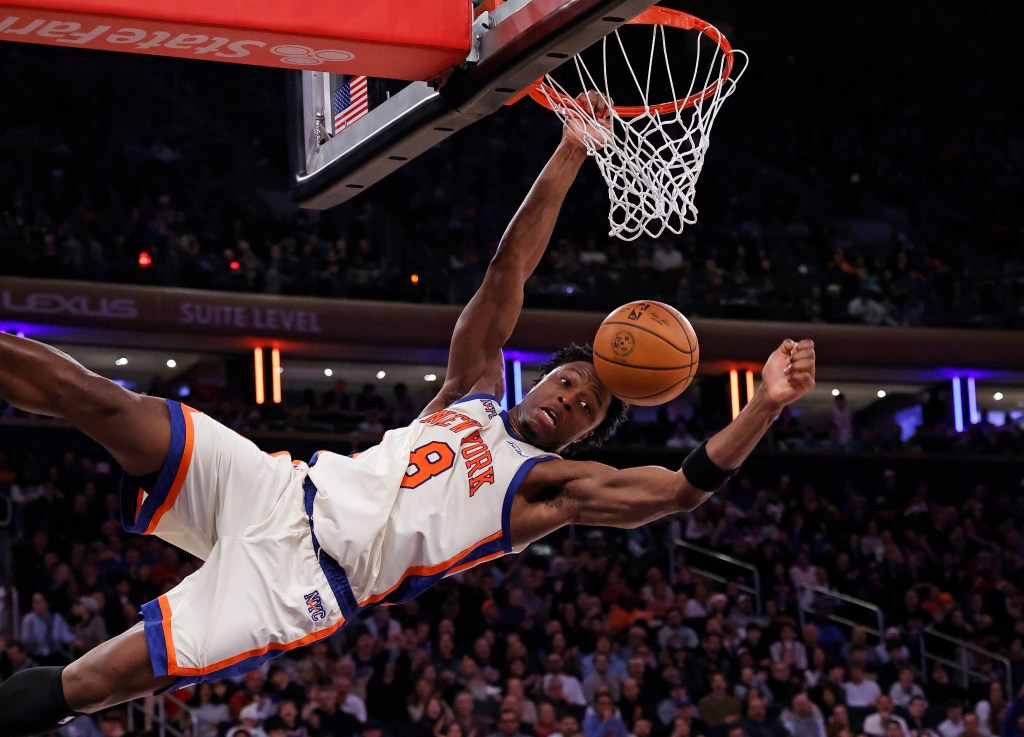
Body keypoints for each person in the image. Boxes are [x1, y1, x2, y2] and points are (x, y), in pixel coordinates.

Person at [0, 92, 818, 736]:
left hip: (300, 584)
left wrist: (765, 405)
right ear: (539, 381)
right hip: (278, 489)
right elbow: (507, 273)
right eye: (568, 383)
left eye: (587, 405)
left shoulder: (549, 488)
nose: (571, 398)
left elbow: (678, 490)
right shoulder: (469, 391)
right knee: (108, 403)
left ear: (582, 434)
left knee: (91, 681)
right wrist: (572, 149)